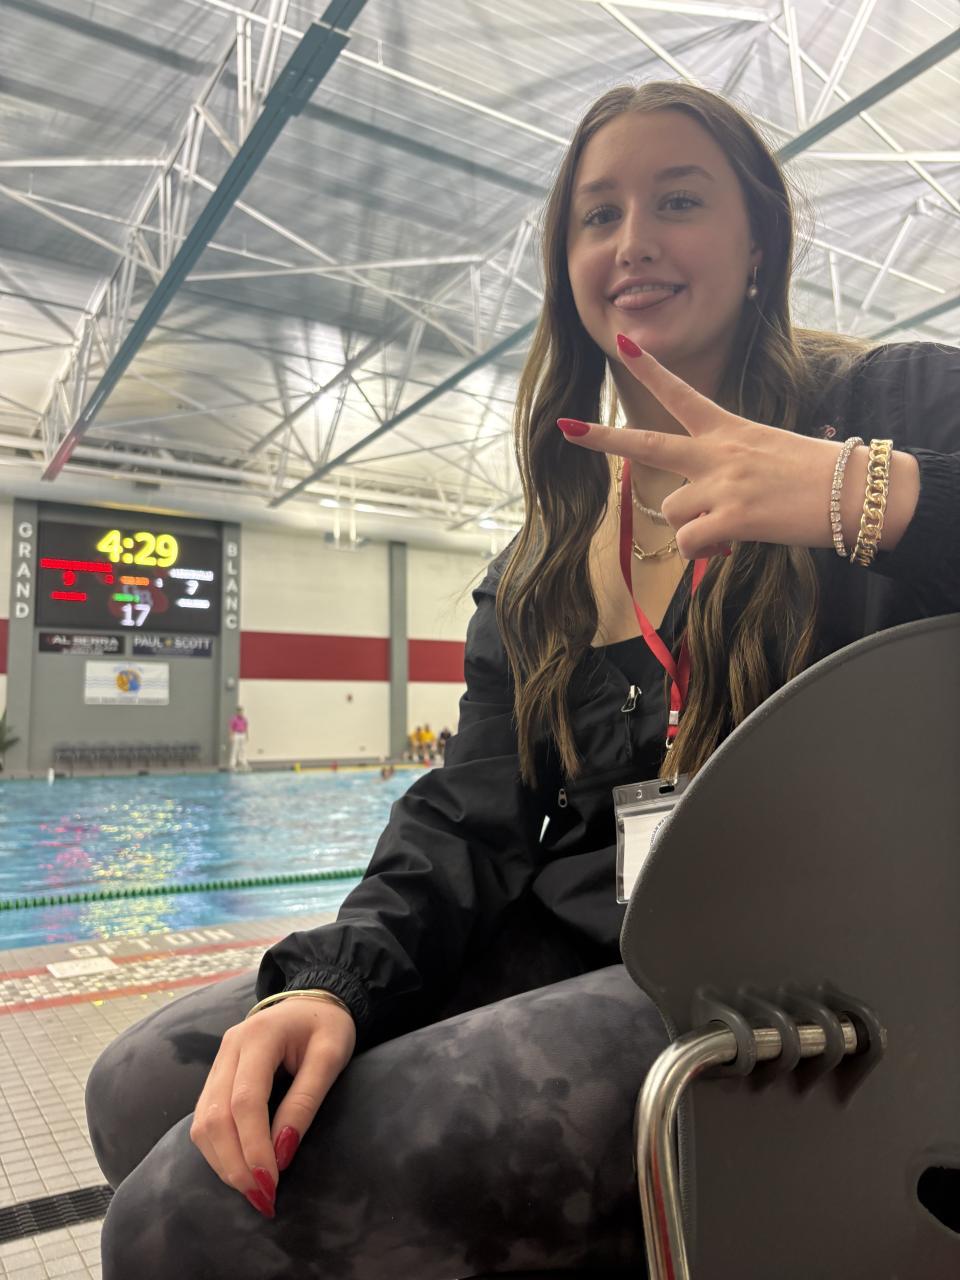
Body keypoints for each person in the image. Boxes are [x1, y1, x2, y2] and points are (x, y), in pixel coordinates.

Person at [87, 82, 960, 1278]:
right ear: (567, 267)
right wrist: (337, 980)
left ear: (759, 242)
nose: (633, 240)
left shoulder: (886, 406)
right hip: (605, 940)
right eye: (598, 215)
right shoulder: (547, 553)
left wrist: (870, 495)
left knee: (179, 1223)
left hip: (809, 980)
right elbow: (472, 813)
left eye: (680, 201)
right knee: (140, 1085)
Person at [228, 706, 249, 772]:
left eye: (242, 711)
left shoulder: (245, 719)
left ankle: (243, 763)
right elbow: (231, 728)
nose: (241, 713)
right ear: (237, 712)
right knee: (235, 749)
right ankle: (232, 764)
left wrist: (247, 736)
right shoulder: (234, 719)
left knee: (243, 749)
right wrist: (231, 736)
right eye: (239, 711)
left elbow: (246, 727)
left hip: (243, 734)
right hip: (236, 734)